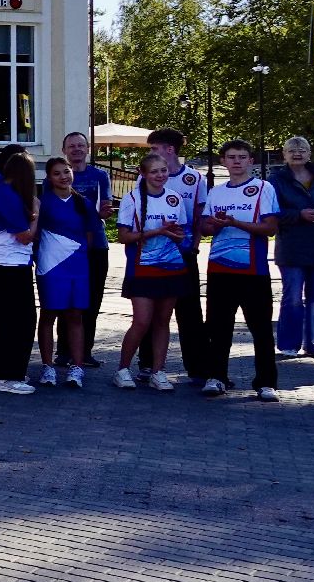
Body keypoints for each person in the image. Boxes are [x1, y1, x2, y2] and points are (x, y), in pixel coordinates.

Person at [198, 140, 278, 401]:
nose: (236, 161)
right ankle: (216, 376)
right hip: (220, 268)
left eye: (242, 157)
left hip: (253, 269)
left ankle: (266, 382)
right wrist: (218, 226)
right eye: (231, 157)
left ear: (251, 161)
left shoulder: (262, 188)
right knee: (218, 326)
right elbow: (205, 228)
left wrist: (236, 222)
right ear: (223, 161)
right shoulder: (216, 192)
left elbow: (270, 228)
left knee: (261, 328)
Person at [114, 154, 195, 391]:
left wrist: (176, 234)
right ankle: (122, 369)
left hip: (171, 267)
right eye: (154, 172)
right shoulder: (132, 199)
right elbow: (123, 236)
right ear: (143, 174)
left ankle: (158, 371)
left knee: (163, 321)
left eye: (163, 171)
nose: (160, 176)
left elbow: (181, 233)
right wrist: (158, 232)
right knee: (141, 321)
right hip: (142, 268)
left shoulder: (174, 197)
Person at [148, 128, 207, 379]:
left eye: (154, 149)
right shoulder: (147, 177)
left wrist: (194, 243)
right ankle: (147, 364)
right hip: (154, 255)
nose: (151, 153)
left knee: (190, 310)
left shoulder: (194, 178)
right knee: (152, 309)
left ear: (169, 150)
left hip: (183, 253)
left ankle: (197, 366)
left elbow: (200, 215)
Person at [0, 152, 38, 395]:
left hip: (2, 263)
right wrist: (37, 213)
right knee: (20, 322)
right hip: (8, 265)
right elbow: (25, 236)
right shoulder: (9, 196)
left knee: (6, 320)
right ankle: (8, 375)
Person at [35, 158, 94, 388]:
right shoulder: (42, 203)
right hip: (51, 266)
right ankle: (48, 367)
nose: (63, 177)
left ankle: (77, 367)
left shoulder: (84, 203)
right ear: (49, 178)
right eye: (57, 173)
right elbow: (35, 234)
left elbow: (89, 235)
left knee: (75, 316)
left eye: (66, 171)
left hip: (77, 266)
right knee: (49, 315)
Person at [269, 136, 314, 357]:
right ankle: (288, 344)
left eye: (302, 149)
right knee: (292, 296)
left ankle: (313, 344)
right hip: (291, 246)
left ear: (310, 153)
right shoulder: (277, 180)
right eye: (292, 150)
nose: (297, 153)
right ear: (284, 155)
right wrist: (298, 214)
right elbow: (272, 212)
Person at [62, 131, 114, 367]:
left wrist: (104, 212)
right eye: (71, 146)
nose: (76, 149)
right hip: (66, 247)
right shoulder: (59, 175)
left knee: (92, 300)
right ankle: (63, 351)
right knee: (66, 300)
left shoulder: (100, 175)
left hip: (96, 245)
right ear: (64, 150)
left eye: (80, 145)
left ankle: (85, 351)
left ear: (88, 149)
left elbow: (106, 205)